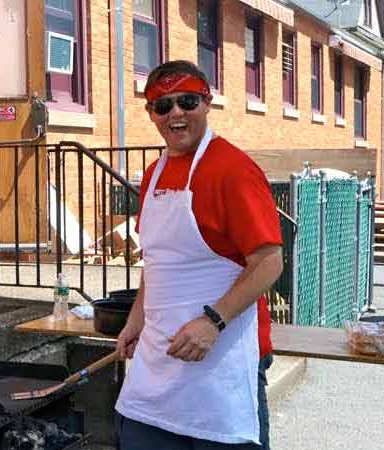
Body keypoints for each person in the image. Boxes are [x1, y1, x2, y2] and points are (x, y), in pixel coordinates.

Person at [114, 60, 284, 450]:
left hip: (223, 355)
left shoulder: (233, 170)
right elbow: (158, 261)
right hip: (160, 356)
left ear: (207, 104)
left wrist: (212, 322)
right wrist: (136, 320)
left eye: (187, 101)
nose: (176, 112)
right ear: (151, 115)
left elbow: (269, 260)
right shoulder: (154, 174)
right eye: (163, 105)